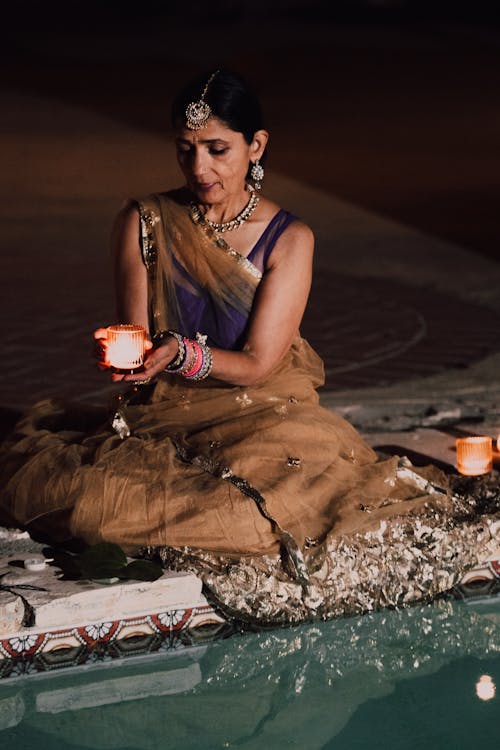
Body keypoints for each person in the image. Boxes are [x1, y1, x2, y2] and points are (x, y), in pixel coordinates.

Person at [0, 71, 497, 625]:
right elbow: (139, 347)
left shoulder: (288, 237)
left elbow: (261, 362)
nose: (200, 169)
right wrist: (130, 362)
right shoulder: (145, 221)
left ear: (256, 145)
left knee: (262, 515)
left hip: (263, 410)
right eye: (186, 150)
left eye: (218, 150)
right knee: (95, 506)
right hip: (165, 417)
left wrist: (183, 353)